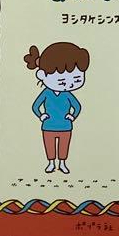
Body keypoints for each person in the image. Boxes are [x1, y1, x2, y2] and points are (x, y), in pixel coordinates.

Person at [27, 41, 89, 174]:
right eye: (62, 81)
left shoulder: (67, 94)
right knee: (49, 146)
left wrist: (72, 116)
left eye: (76, 79)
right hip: (48, 125)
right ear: (42, 75)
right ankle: (51, 163)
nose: (68, 84)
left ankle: (62, 163)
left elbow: (77, 106)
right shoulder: (46, 93)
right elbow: (35, 106)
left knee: (63, 146)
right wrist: (41, 115)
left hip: (65, 125)